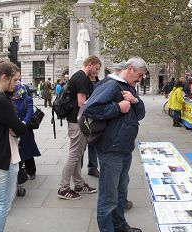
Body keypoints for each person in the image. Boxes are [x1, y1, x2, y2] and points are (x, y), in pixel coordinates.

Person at [84, 56, 147, 232]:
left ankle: (120, 226)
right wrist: (118, 108)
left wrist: (135, 101)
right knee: (108, 197)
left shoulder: (128, 87)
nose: (141, 79)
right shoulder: (110, 85)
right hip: (111, 148)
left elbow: (140, 114)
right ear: (130, 69)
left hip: (124, 147)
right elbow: (90, 109)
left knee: (120, 192)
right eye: (140, 75)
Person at [0, 61, 27, 232]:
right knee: (2, 206)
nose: (17, 84)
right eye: (15, 80)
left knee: (5, 204)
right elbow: (20, 128)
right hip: (2, 159)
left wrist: (16, 125)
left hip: (4, 156)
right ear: (4, 77)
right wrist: (19, 124)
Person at [57, 55, 101, 200]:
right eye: (96, 68)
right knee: (75, 155)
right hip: (77, 122)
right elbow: (82, 103)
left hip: (74, 121)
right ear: (90, 64)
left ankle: (79, 184)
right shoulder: (82, 78)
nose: (97, 71)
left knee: (77, 154)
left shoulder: (78, 76)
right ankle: (63, 188)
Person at [13, 81, 41, 180]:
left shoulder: (27, 99)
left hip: (25, 129)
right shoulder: (9, 99)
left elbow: (30, 113)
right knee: (15, 152)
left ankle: (31, 171)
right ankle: (18, 174)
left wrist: (24, 122)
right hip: (13, 129)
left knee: (27, 151)